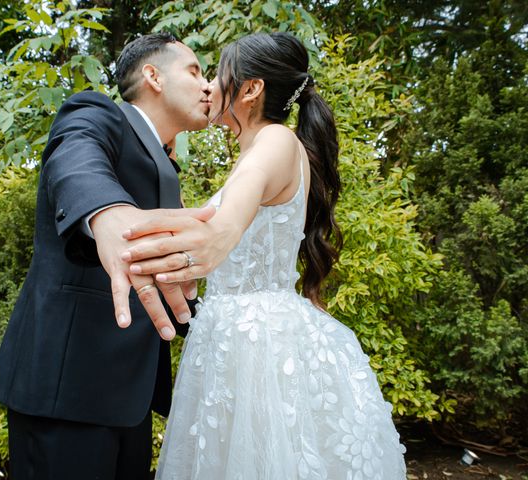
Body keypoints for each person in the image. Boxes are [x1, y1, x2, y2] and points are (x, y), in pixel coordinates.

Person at [121, 32, 407, 479]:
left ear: (251, 89)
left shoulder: (273, 140)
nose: (209, 87)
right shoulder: (269, 147)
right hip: (239, 334)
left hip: (256, 343)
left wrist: (218, 234)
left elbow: (231, 219)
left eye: (216, 74)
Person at [0, 32, 213, 479]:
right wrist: (107, 211)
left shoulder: (167, 166)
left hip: (130, 399)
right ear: (153, 76)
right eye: (194, 71)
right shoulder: (97, 115)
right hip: (67, 392)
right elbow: (75, 160)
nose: (209, 85)